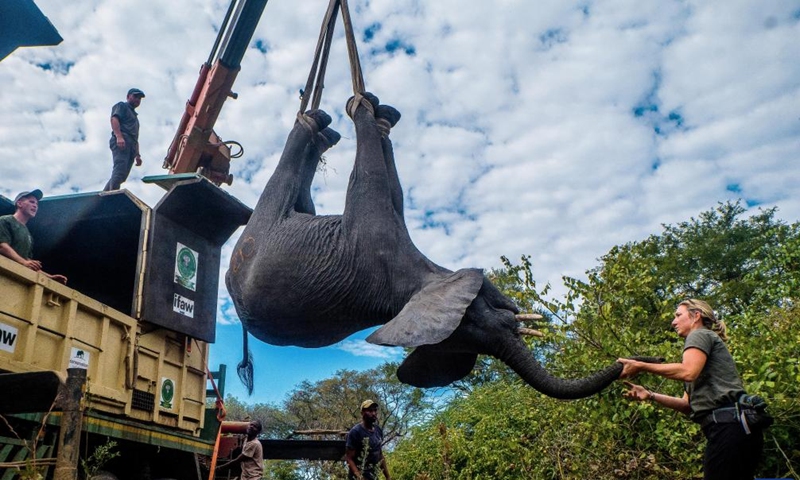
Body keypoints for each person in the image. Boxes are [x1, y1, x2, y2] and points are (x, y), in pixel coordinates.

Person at [618, 299, 764, 480]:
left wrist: (640, 365)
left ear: (696, 316)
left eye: (678, 315)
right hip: (735, 428)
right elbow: (687, 405)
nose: (673, 322)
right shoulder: (700, 355)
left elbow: (688, 371)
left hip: (729, 427)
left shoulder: (699, 335)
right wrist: (650, 395)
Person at [0, 189, 67, 284]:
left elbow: (27, 260)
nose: (35, 205)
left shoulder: (29, 235)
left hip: (14, 279)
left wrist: (49, 277)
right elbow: (2, 246)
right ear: (19, 204)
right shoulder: (5, 221)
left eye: (36, 204)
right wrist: (24, 263)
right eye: (31, 202)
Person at [104, 88, 145, 191]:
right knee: (120, 169)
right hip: (123, 140)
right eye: (135, 96)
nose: (137, 100)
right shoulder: (122, 106)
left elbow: (135, 138)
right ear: (128, 97)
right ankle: (112, 194)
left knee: (122, 175)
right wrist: (119, 136)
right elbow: (114, 119)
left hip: (131, 145)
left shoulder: (135, 118)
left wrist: (138, 155)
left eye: (139, 98)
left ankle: (105, 194)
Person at [345, 400, 391, 480]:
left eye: (375, 410)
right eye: (370, 411)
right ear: (362, 413)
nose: (373, 413)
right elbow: (349, 458)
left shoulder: (378, 430)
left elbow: (380, 455)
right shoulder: (356, 432)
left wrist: (388, 476)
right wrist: (360, 477)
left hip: (373, 476)